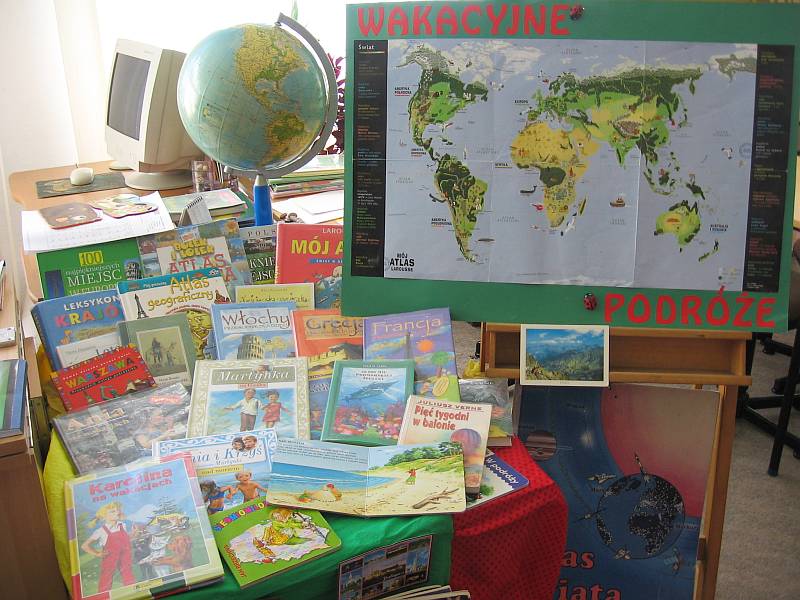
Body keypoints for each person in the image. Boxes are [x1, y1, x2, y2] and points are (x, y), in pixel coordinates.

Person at [81, 502, 135, 592]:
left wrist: (133, 533)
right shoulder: (101, 531)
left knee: (128, 576)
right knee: (106, 580)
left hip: (125, 559)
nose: (117, 512)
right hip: (109, 560)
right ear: (104, 516)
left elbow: (125, 540)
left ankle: (133, 593)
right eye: (113, 511)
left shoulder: (122, 525)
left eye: (117, 510)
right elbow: (84, 546)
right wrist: (97, 554)